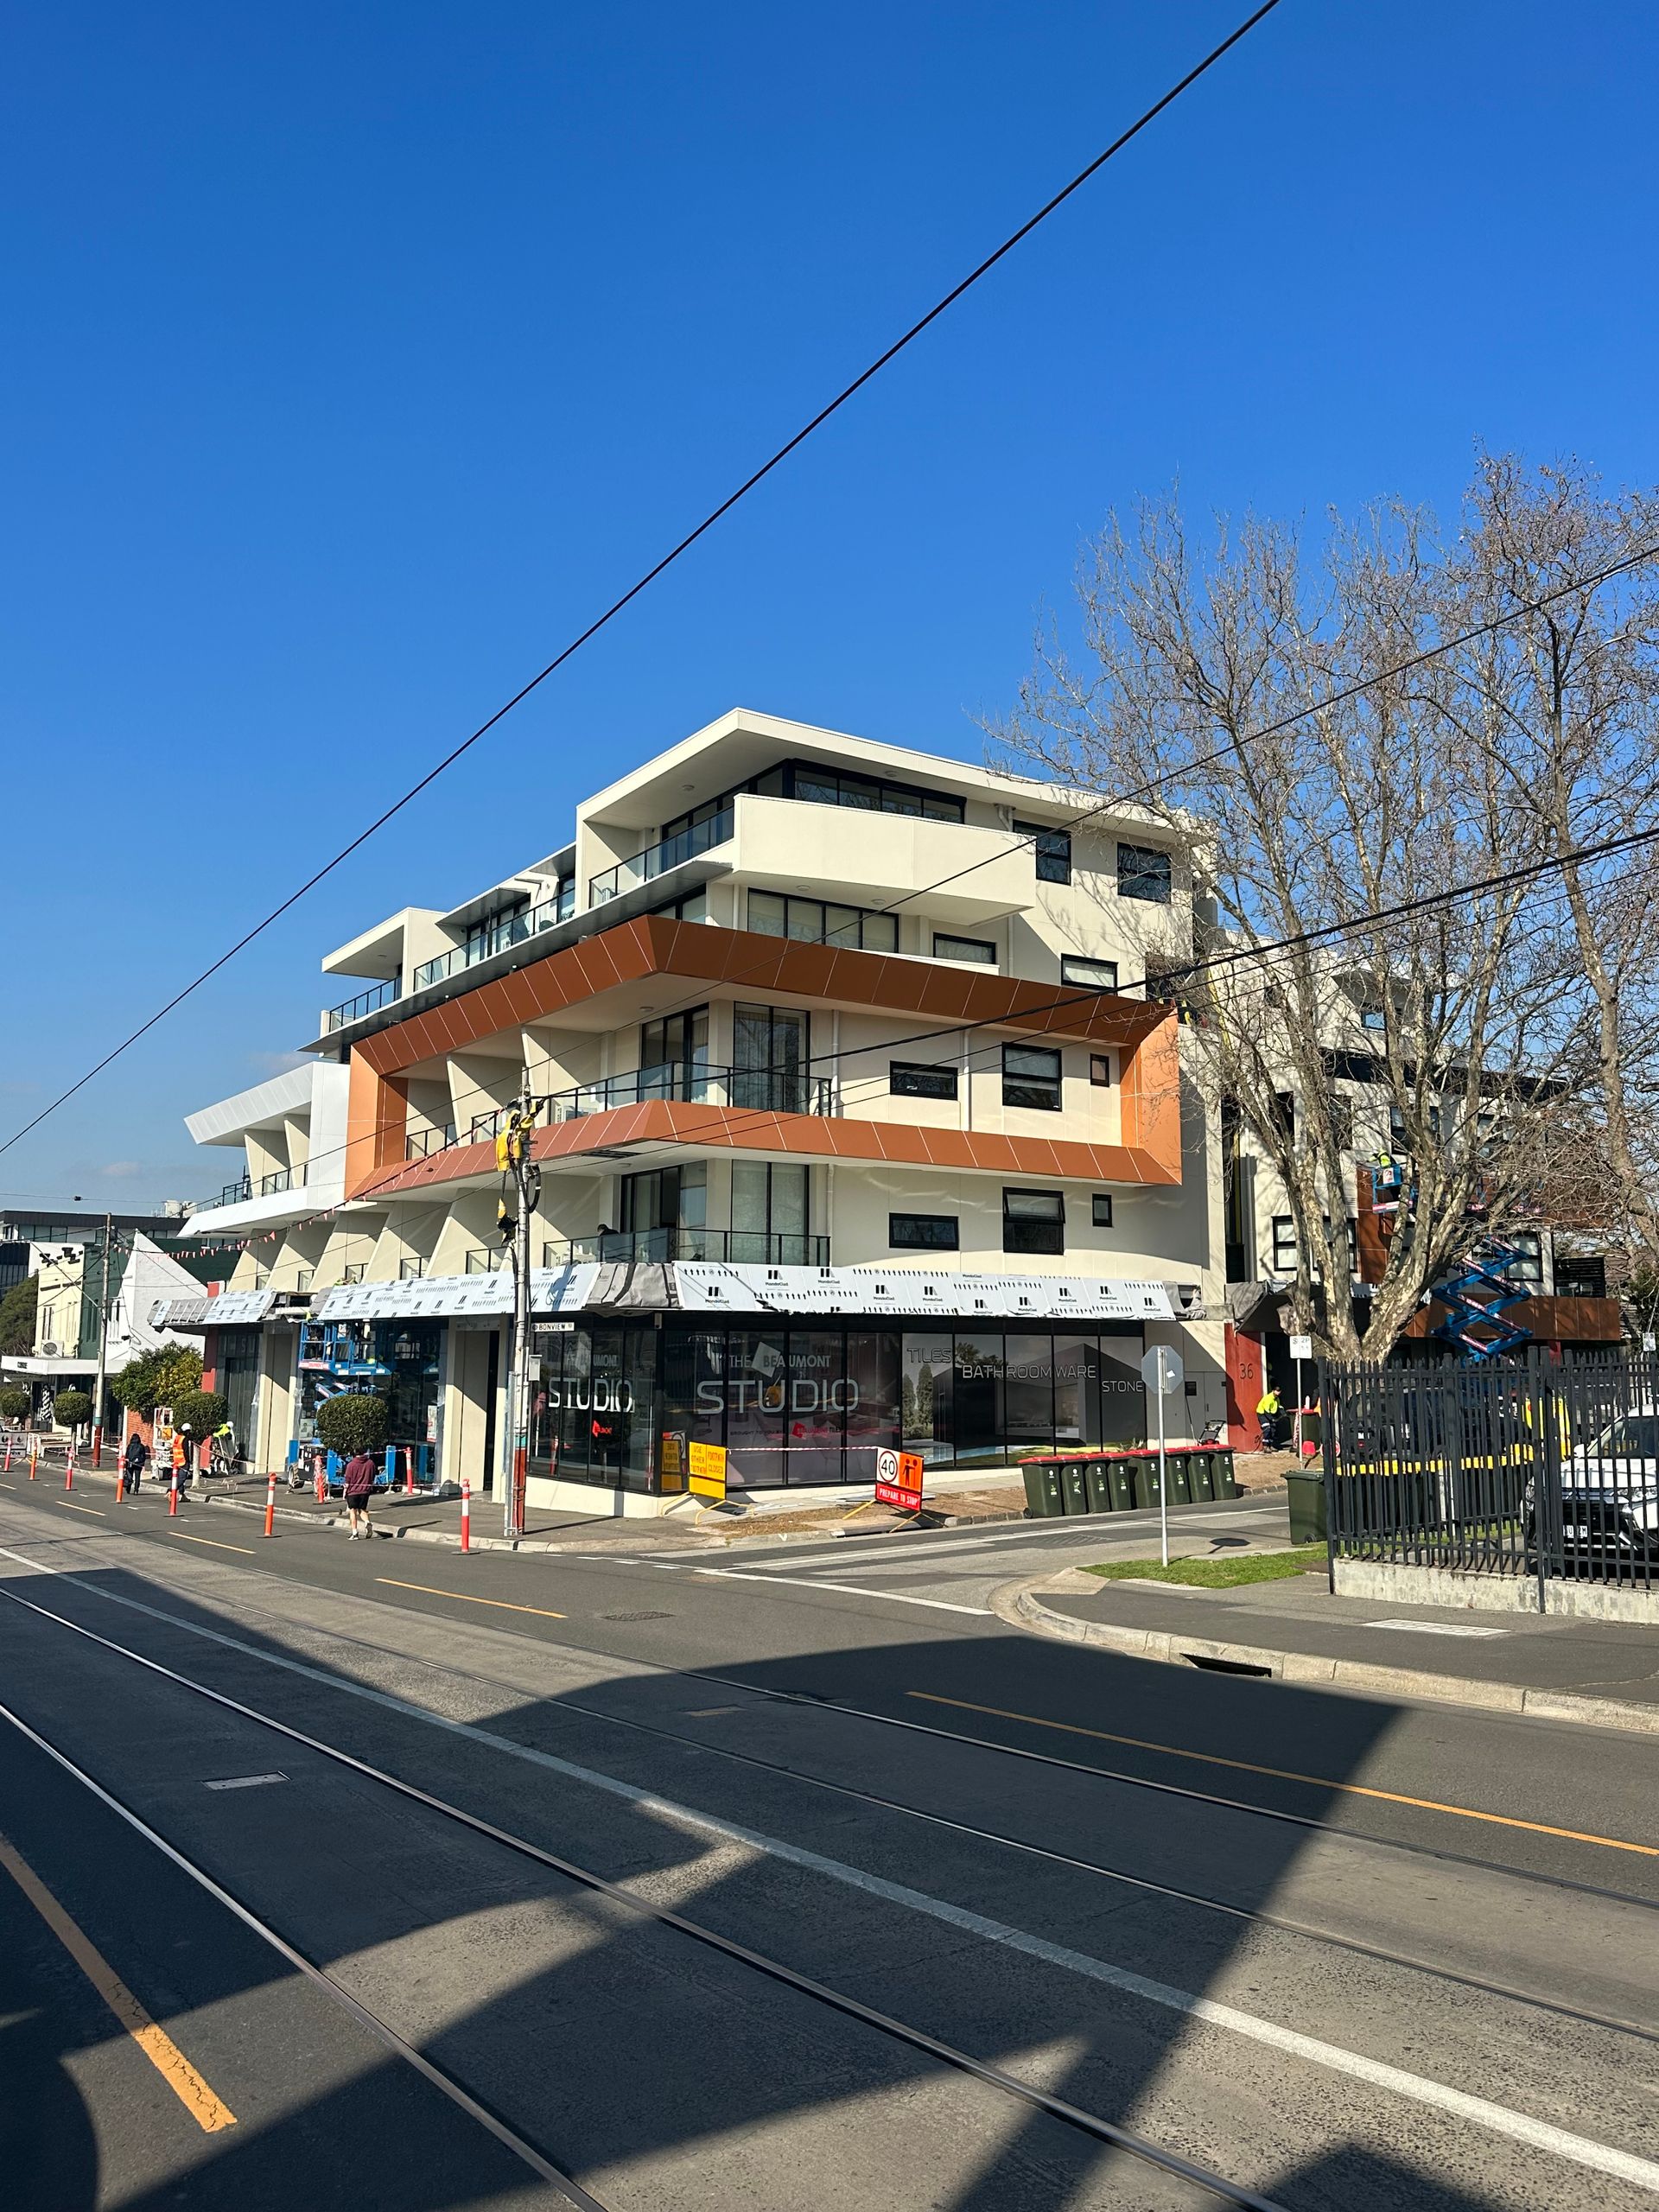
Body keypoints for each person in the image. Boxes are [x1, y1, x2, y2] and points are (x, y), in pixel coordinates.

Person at [342, 1446, 378, 1539]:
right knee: (362, 1510)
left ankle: (355, 1533)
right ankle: (367, 1522)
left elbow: (347, 1480)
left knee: (353, 1511)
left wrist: (344, 1492)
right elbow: (373, 1475)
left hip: (353, 1491)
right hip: (365, 1491)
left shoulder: (351, 1465)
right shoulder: (370, 1463)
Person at [122, 1429, 149, 1498]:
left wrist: (126, 1462)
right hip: (138, 1463)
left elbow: (127, 1455)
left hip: (130, 1463)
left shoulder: (130, 1446)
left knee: (129, 1476)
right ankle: (136, 1490)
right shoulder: (141, 1446)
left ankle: (128, 1488)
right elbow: (144, 1456)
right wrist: (142, 1464)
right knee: (137, 1477)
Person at [1255, 1384, 1282, 1452]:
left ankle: (1271, 1445)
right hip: (1262, 1414)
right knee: (1267, 1428)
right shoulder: (1268, 1398)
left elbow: (1278, 1407)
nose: (1276, 1395)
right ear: (1273, 1391)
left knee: (1273, 1429)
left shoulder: (1277, 1399)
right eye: (1275, 1394)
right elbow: (1266, 1411)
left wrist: (1283, 1413)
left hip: (1270, 1413)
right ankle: (1265, 1446)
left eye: (1278, 1394)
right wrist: (1271, 1419)